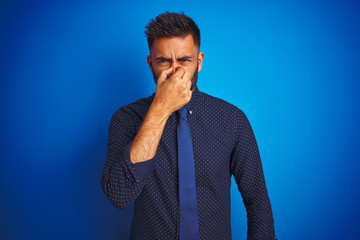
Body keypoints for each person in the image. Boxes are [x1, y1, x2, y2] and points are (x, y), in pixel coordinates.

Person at [100, 12, 275, 240]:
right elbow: (118, 194)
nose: (175, 71)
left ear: (199, 62)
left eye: (184, 60)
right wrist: (160, 108)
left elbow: (258, 201)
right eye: (164, 61)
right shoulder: (127, 118)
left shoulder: (232, 120)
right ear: (150, 62)